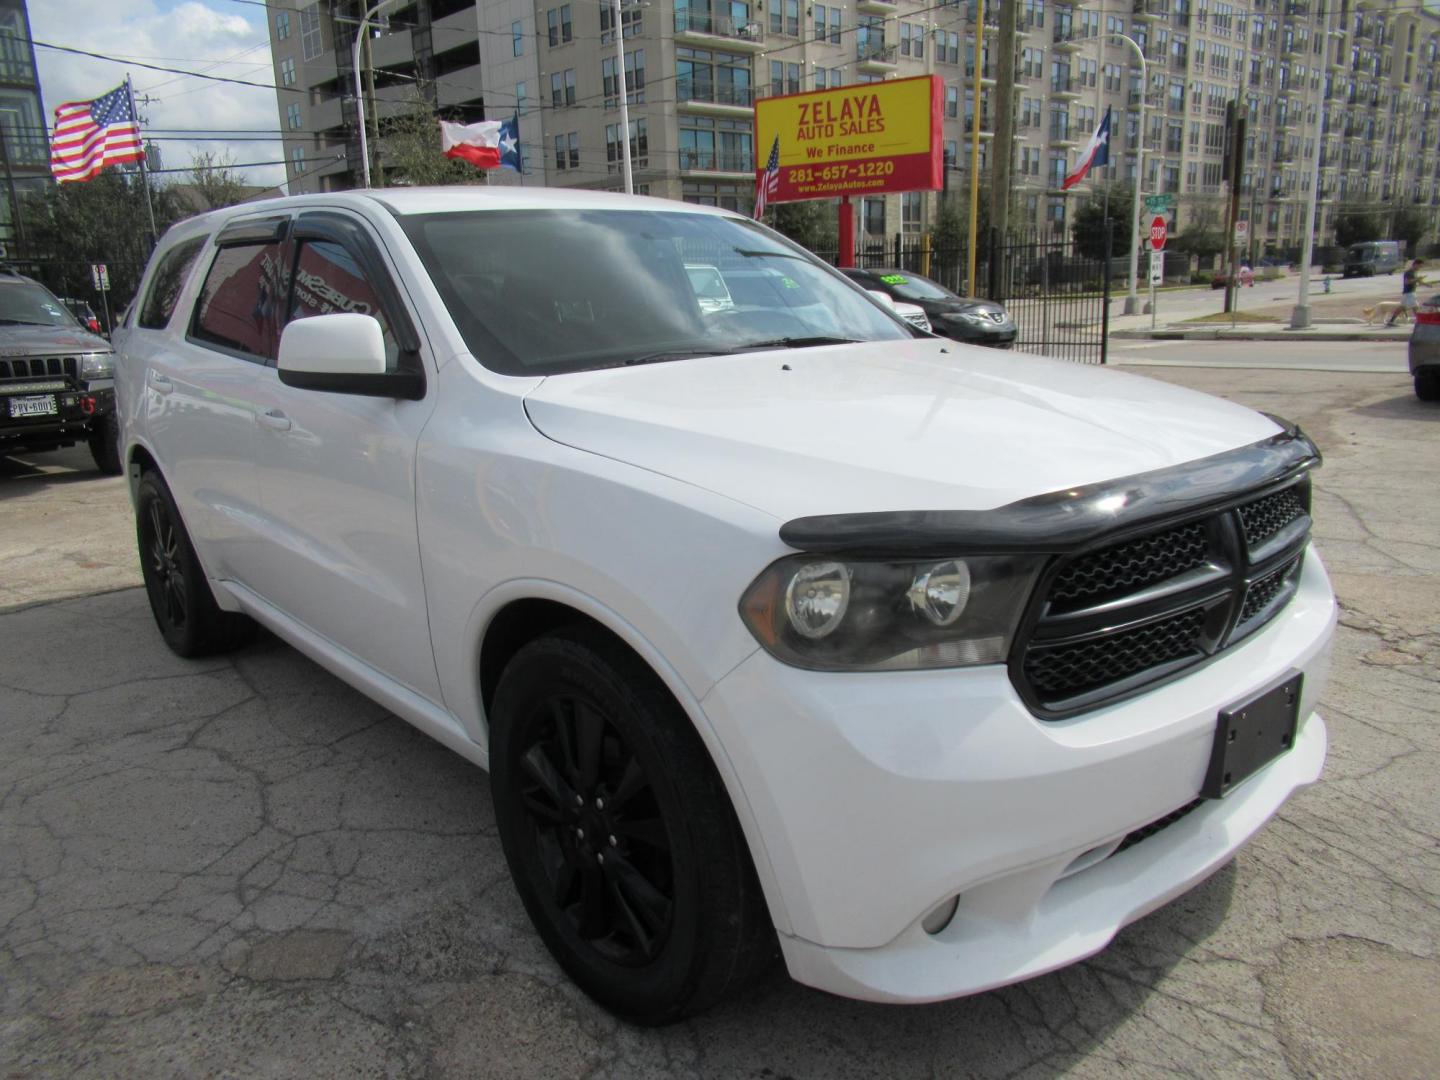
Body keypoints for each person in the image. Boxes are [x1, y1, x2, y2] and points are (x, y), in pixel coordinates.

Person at [1388, 258, 1426, 326]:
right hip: (1409, 293)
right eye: (1420, 266)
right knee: (1415, 307)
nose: (1420, 268)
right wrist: (1417, 279)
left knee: (1403, 307)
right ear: (1415, 264)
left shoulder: (1414, 272)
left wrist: (1427, 284)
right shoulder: (1409, 272)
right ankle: (1420, 322)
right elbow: (1407, 282)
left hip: (1409, 293)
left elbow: (1416, 281)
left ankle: (1391, 321)